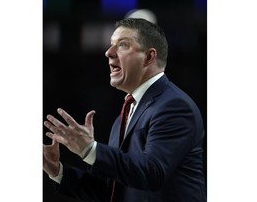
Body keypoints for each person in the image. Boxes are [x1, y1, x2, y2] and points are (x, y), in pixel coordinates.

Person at [43, 18, 206, 202]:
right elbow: (112, 191)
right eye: (111, 45)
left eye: (122, 45)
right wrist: (57, 171)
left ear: (149, 57)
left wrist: (90, 149)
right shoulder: (123, 117)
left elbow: (152, 174)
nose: (108, 52)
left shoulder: (174, 107)